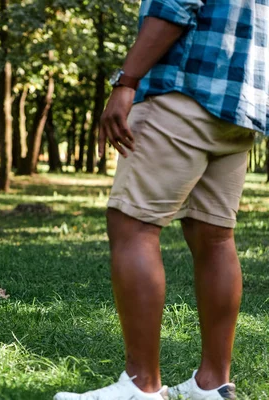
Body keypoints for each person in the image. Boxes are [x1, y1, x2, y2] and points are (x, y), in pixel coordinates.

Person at [55, 0, 268, 399]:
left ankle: (141, 388)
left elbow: (175, 5)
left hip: (182, 90)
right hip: (241, 106)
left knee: (133, 226)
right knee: (216, 238)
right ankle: (213, 385)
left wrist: (126, 80)